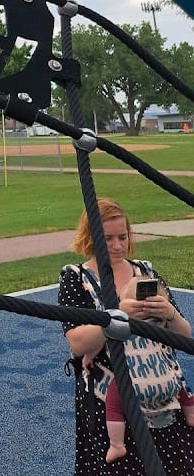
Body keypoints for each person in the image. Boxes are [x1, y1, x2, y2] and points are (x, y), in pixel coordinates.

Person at [59, 198, 194, 473]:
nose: (118, 245)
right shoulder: (77, 278)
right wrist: (119, 316)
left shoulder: (146, 273)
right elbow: (77, 342)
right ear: (90, 238)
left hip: (160, 391)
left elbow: (184, 336)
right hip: (110, 405)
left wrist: (169, 313)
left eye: (122, 237)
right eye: (108, 238)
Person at [85, 275, 194, 463]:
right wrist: (169, 313)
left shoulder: (119, 325)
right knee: (182, 385)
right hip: (166, 380)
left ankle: (117, 445)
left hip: (133, 383)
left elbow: (101, 340)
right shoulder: (160, 322)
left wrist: (88, 356)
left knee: (113, 404)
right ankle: (190, 414)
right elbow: (183, 336)